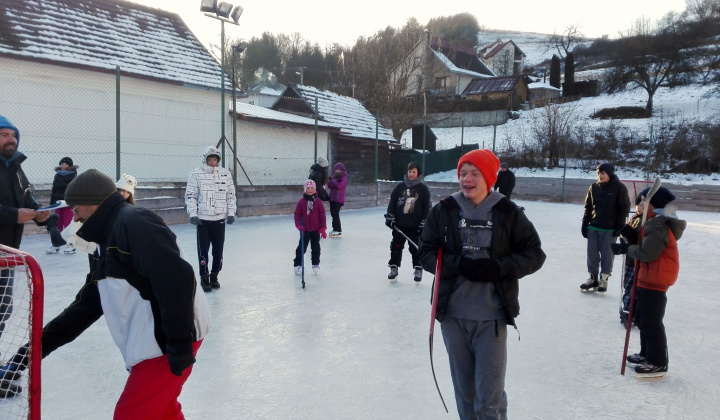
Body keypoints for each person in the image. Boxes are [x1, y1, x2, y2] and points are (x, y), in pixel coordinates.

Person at [0, 169, 210, 414]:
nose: (75, 219)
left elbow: (177, 280)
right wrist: (33, 351)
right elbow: (86, 305)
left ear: (91, 204)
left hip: (165, 341)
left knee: (131, 414)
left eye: (76, 210)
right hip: (157, 339)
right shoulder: (105, 237)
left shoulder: (134, 223)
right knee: (163, 411)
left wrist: (179, 344)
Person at [417, 149, 545, 420]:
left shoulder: (506, 211)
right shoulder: (445, 210)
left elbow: (534, 254)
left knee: (489, 399)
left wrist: (498, 268)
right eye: (463, 173)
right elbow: (425, 252)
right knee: (465, 395)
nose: (467, 179)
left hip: (491, 319)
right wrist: (457, 264)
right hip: (452, 317)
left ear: (488, 177)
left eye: (475, 173)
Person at [0, 115, 51, 397]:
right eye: (4, 134)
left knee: (2, 311)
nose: (11, 139)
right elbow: (14, 211)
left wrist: (40, 214)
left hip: (6, 256)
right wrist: (13, 215)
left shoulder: (17, 169)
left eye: (13, 134)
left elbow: (28, 199)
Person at [611, 186, 686, 376]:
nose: (640, 204)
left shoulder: (658, 224)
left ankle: (658, 362)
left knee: (652, 322)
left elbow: (647, 253)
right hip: (648, 277)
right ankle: (647, 354)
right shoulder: (651, 222)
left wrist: (625, 249)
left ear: (655, 204)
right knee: (643, 319)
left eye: (645, 201)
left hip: (656, 279)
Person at [185, 146, 237, 292]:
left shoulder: (225, 174)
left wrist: (231, 212)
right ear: (205, 160)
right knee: (203, 250)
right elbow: (191, 195)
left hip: (219, 218)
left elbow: (230, 195)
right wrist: (193, 214)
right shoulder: (196, 174)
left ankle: (215, 275)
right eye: (210, 159)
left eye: (215, 159)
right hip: (202, 219)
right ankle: (204, 277)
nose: (213, 162)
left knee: (218, 250)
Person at [580, 163, 630, 293]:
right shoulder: (594, 187)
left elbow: (624, 208)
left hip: (609, 229)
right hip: (594, 227)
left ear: (609, 174)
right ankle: (593, 278)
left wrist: (620, 227)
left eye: (603, 173)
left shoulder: (619, 188)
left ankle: (604, 279)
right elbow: (588, 207)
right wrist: (585, 224)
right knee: (592, 255)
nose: (600, 176)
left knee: (607, 255)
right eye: (598, 173)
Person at [384, 162, 431, 283]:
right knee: (396, 246)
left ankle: (418, 269)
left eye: (414, 172)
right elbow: (392, 203)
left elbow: (427, 207)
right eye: (409, 172)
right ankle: (393, 267)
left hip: (415, 226)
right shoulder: (400, 187)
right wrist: (390, 217)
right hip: (399, 225)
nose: (411, 174)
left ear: (418, 173)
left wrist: (424, 222)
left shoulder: (423, 189)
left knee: (415, 248)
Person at [617, 194, 643, 328]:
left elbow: (641, 241)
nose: (639, 207)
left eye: (643, 205)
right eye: (638, 204)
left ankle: (633, 312)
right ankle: (627, 310)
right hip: (629, 260)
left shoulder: (646, 222)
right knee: (628, 286)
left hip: (638, 261)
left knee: (636, 288)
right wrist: (623, 239)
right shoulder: (634, 219)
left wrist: (631, 238)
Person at [293, 179, 327, 275]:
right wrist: (299, 226)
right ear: (305, 189)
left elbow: (322, 215)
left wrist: (323, 228)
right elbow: (297, 215)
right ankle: (297, 264)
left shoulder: (318, 202)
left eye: (312, 188)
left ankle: (315, 263)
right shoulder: (301, 202)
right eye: (308, 188)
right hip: (305, 230)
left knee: (316, 247)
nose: (310, 190)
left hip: (316, 230)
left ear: (315, 189)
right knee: (302, 248)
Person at [45, 156, 78, 254]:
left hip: (68, 203)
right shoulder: (57, 175)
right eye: (62, 164)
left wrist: (73, 202)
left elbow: (74, 190)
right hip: (58, 203)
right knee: (56, 223)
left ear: (69, 166)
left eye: (65, 164)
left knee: (68, 224)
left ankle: (70, 245)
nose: (63, 166)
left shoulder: (73, 176)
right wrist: (52, 203)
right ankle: (56, 244)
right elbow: (54, 189)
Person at [326, 162, 347, 237]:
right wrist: (330, 181)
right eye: (336, 169)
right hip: (332, 198)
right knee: (333, 214)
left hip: (338, 199)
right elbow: (330, 186)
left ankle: (338, 229)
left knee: (335, 214)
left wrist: (332, 181)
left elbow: (339, 186)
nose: (337, 170)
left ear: (341, 170)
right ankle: (335, 228)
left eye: (338, 169)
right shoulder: (335, 177)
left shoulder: (343, 177)